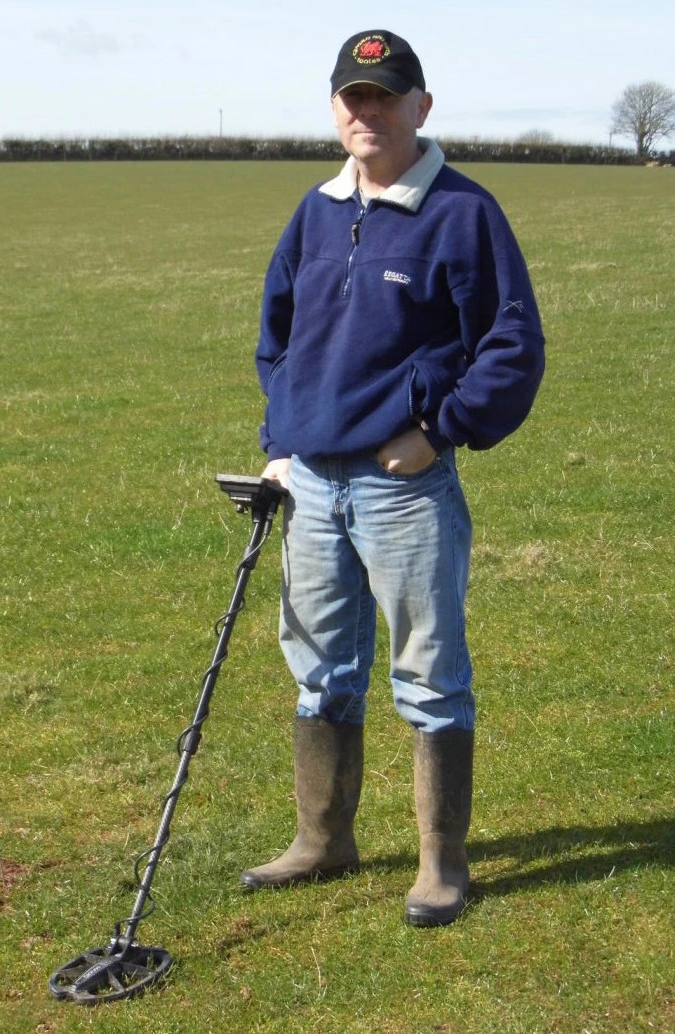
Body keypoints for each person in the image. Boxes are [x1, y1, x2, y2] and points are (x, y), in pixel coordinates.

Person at [241, 29, 545, 927]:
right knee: (320, 670)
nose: (365, 112)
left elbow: (513, 347)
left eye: (383, 96)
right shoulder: (316, 210)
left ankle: (440, 865)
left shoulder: (464, 214)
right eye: (352, 97)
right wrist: (282, 436)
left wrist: (439, 431)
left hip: (400, 486)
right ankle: (322, 839)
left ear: (421, 107)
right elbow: (279, 338)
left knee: (428, 674)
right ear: (336, 109)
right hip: (313, 486)